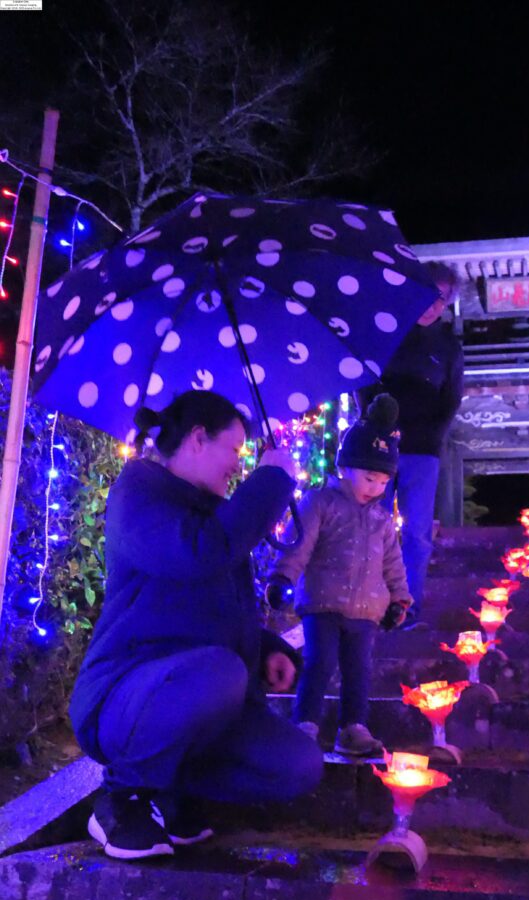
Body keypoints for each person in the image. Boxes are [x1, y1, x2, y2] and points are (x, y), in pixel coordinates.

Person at [69, 390, 323, 861]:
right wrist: (271, 480)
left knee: (298, 765)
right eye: (234, 449)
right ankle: (123, 799)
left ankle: (166, 793)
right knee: (222, 672)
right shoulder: (138, 492)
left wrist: (267, 648)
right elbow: (198, 553)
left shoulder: (212, 513)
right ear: (197, 438)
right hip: (124, 695)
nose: (238, 463)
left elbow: (213, 612)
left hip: (198, 691)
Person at [265, 394, 411, 758]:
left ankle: (353, 727)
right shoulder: (320, 503)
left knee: (358, 669)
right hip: (323, 602)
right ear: (345, 467)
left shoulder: (380, 519)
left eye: (382, 482)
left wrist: (399, 598)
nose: (375, 487)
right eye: (369, 477)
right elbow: (299, 545)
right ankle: (306, 724)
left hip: (366, 610)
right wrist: (282, 577)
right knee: (318, 662)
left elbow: (393, 562)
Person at [359, 261, 464, 628]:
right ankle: (370, 601)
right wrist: (373, 425)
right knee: (374, 525)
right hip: (380, 447)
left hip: (423, 450)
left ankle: (407, 606)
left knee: (417, 532)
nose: (433, 304)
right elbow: (365, 381)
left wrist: (435, 435)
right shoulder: (385, 331)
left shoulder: (449, 346)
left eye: (442, 298)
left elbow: (452, 398)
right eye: (427, 294)